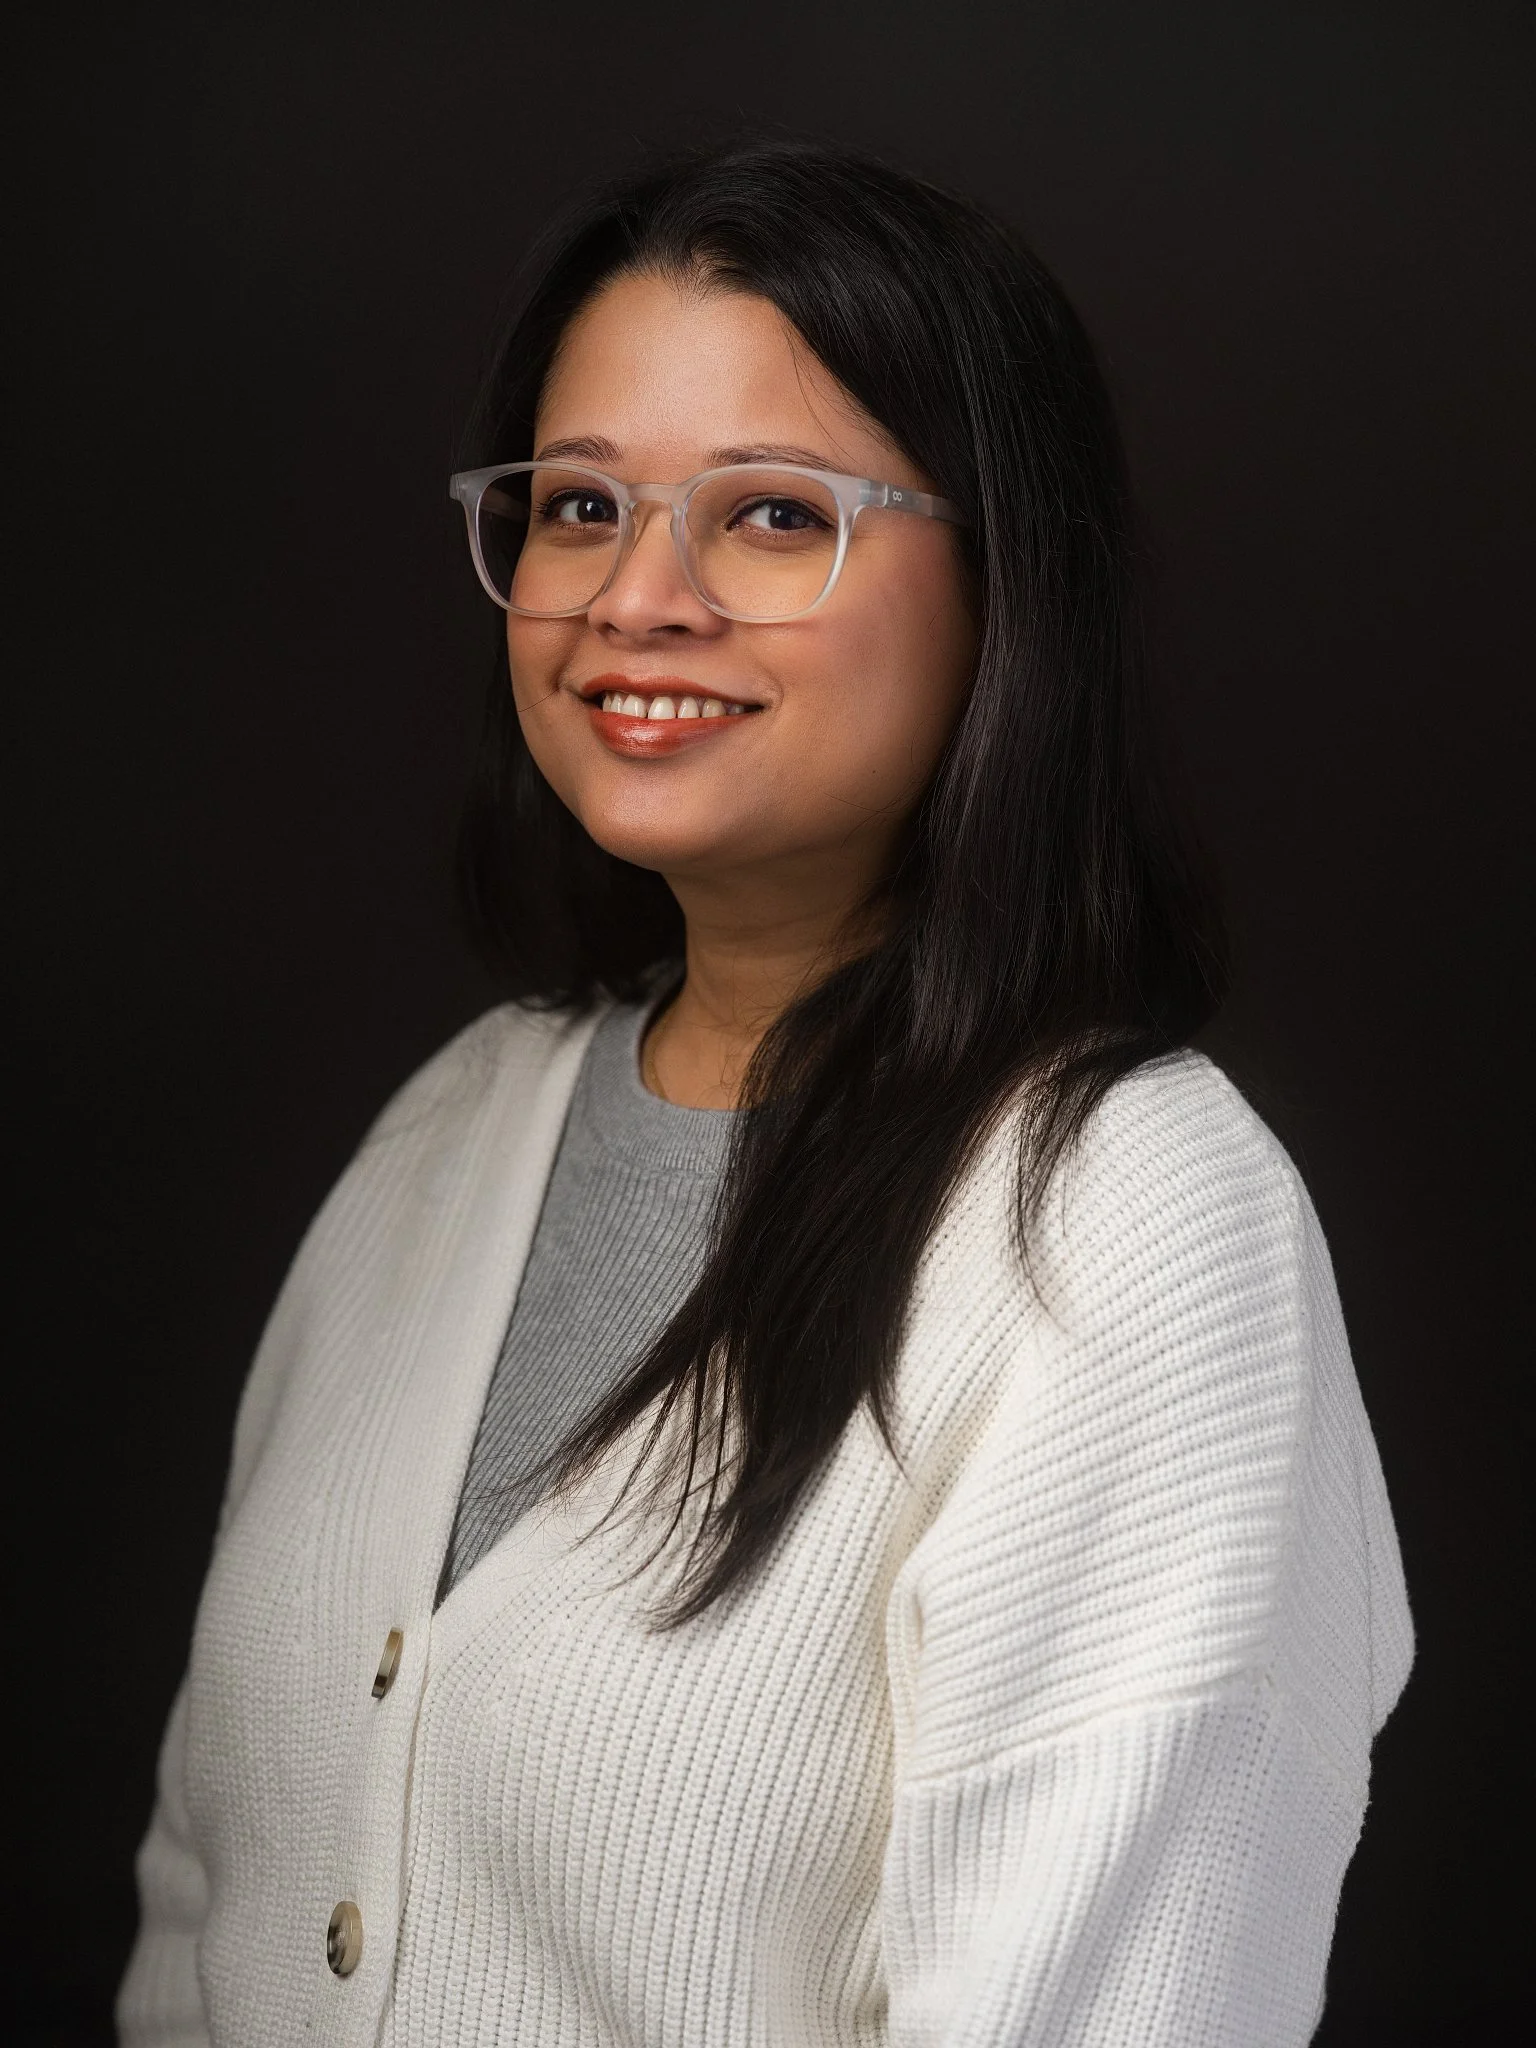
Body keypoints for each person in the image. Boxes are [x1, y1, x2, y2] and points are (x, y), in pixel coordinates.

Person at [118, 140, 1413, 2048]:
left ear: (1004, 585)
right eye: (578, 506)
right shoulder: (450, 1133)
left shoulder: (1133, 1221)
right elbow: (200, 1907)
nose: (636, 599)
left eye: (773, 516)